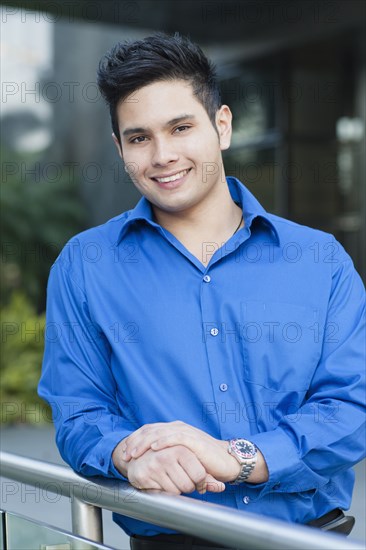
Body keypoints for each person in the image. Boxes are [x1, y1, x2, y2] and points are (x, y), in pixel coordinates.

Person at [38, 33, 365, 550]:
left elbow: (351, 409)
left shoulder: (320, 260)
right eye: (139, 137)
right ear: (121, 149)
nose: (163, 155)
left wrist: (240, 458)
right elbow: (79, 414)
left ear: (222, 126)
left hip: (309, 541)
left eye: (181, 127)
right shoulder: (85, 265)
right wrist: (127, 451)